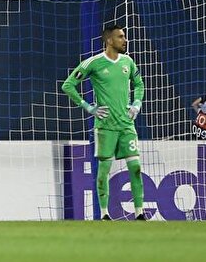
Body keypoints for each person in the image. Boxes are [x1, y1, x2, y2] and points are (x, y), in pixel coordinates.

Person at [62, 24, 146, 221]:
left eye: (124, 36)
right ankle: (105, 213)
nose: (125, 40)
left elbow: (139, 84)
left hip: (126, 124)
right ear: (109, 40)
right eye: (121, 37)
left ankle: (140, 212)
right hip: (105, 126)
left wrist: (136, 103)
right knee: (104, 170)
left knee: (135, 167)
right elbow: (68, 85)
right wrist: (89, 107)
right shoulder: (94, 63)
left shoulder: (128, 62)